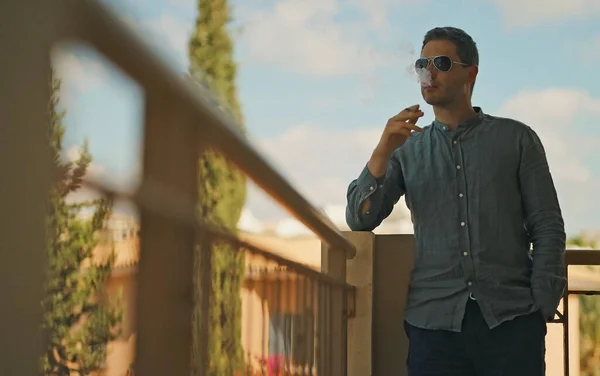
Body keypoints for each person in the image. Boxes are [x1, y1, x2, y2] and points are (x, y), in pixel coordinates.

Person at [345, 26, 566, 376]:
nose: (428, 73)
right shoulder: (406, 151)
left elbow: (548, 225)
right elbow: (361, 219)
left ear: (471, 72)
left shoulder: (517, 139)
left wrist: (542, 303)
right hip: (433, 327)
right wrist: (380, 153)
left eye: (442, 62)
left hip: (512, 321)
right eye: (422, 64)